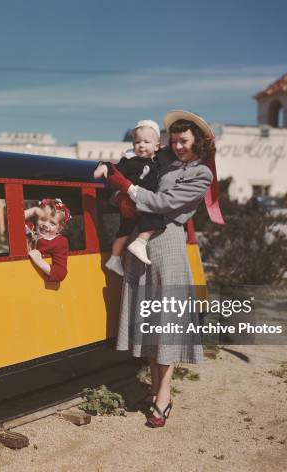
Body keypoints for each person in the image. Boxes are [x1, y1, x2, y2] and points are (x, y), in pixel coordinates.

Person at [106, 110, 223, 428]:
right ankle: (155, 388)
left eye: (184, 141)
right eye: (175, 141)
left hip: (168, 243)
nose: (179, 146)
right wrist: (123, 193)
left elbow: (162, 204)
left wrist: (128, 190)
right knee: (150, 320)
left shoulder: (202, 175)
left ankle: (164, 396)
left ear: (198, 141)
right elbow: (138, 184)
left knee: (166, 322)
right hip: (140, 243)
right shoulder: (162, 160)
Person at [94, 120, 166, 274]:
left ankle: (114, 258)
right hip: (132, 200)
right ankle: (140, 242)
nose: (141, 145)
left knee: (124, 230)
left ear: (157, 146)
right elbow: (117, 169)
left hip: (138, 199)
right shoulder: (130, 160)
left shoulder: (157, 161)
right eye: (137, 141)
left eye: (147, 142)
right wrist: (104, 165)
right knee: (156, 215)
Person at [24, 198, 70, 283]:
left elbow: (60, 273)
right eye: (43, 219)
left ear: (59, 228)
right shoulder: (31, 228)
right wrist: (35, 210)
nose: (45, 224)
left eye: (52, 223)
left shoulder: (60, 242)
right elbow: (14, 219)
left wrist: (40, 261)